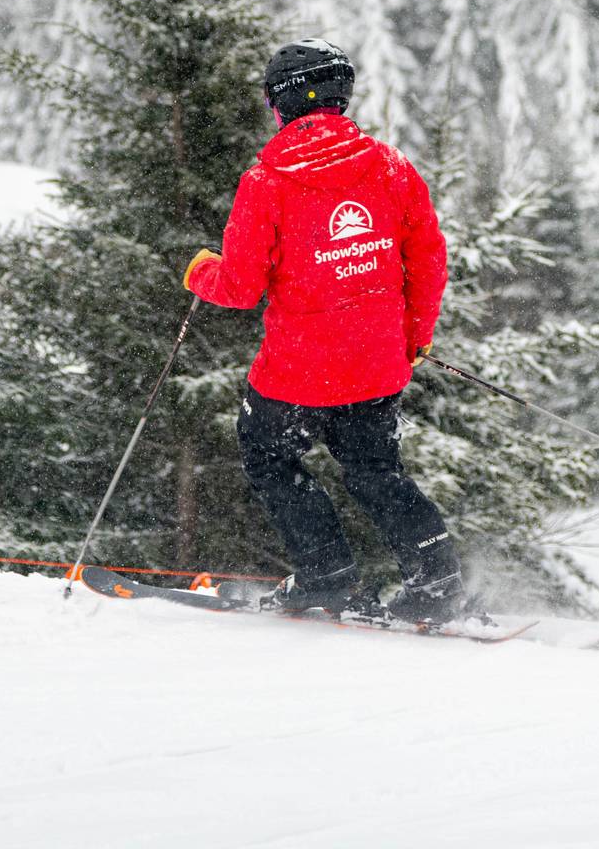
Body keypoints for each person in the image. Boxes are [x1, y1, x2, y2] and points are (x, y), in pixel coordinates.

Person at [182, 37, 463, 621]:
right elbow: (428, 261)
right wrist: (415, 336)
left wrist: (200, 272)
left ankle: (326, 575)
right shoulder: (389, 167)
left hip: (296, 370)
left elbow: (239, 287)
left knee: (269, 459)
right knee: (374, 469)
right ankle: (437, 583)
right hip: (376, 361)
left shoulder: (266, 183)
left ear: (278, 104)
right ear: (341, 96)